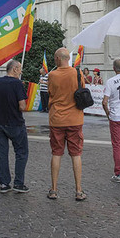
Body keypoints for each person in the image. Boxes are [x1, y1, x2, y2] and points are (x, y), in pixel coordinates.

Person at [47, 47, 86, 201]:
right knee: (76, 154)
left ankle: (54, 190)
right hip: (75, 118)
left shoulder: (52, 75)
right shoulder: (77, 73)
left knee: (56, 153)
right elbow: (82, 89)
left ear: (58, 59)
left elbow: (50, 93)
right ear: (68, 58)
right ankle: (78, 190)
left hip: (57, 119)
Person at [0, 59, 29, 193]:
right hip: (14, 122)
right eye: (20, 69)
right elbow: (22, 106)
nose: (21, 71)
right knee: (21, 152)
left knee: (2, 153)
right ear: (14, 69)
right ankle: (18, 183)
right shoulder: (17, 84)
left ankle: (4, 184)